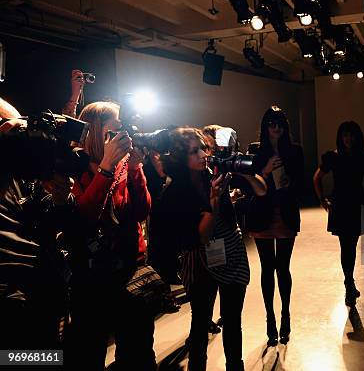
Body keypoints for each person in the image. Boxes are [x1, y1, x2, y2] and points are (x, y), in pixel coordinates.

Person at [152, 126, 265, 371]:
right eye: (194, 151)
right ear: (181, 158)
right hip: (200, 260)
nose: (203, 154)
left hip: (231, 255)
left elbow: (262, 189)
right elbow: (200, 237)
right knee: (201, 323)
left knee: (233, 322)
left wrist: (239, 168)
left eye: (204, 147)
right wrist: (214, 200)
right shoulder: (175, 192)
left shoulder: (214, 173)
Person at [65, 101, 155, 371]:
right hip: (91, 276)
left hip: (129, 268)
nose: (122, 134)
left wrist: (137, 168)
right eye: (115, 129)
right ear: (96, 132)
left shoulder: (125, 165)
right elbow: (85, 217)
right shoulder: (74, 166)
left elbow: (141, 211)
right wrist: (105, 167)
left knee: (138, 354)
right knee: (89, 353)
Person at [0, 99, 75, 354]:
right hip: (10, 300)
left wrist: (61, 198)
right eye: (14, 130)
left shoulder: (26, 175)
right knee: (18, 360)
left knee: (47, 358)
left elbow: (55, 224)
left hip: (45, 290)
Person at [247, 106, 304, 346]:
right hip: (262, 215)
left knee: (283, 267)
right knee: (267, 268)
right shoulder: (256, 151)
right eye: (271, 123)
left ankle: (285, 314)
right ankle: (270, 316)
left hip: (286, 213)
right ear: (265, 126)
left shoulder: (295, 151)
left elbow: (302, 182)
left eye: (279, 123)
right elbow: (250, 184)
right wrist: (265, 170)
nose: (276, 127)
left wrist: (290, 181)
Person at [313, 121, 364, 306]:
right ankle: (349, 283)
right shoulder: (333, 157)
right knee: (346, 246)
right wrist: (322, 199)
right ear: (341, 137)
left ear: (357, 137)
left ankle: (349, 283)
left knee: (351, 245)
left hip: (356, 202)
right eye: (345, 135)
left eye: (351, 135)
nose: (348, 139)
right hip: (341, 204)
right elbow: (316, 178)